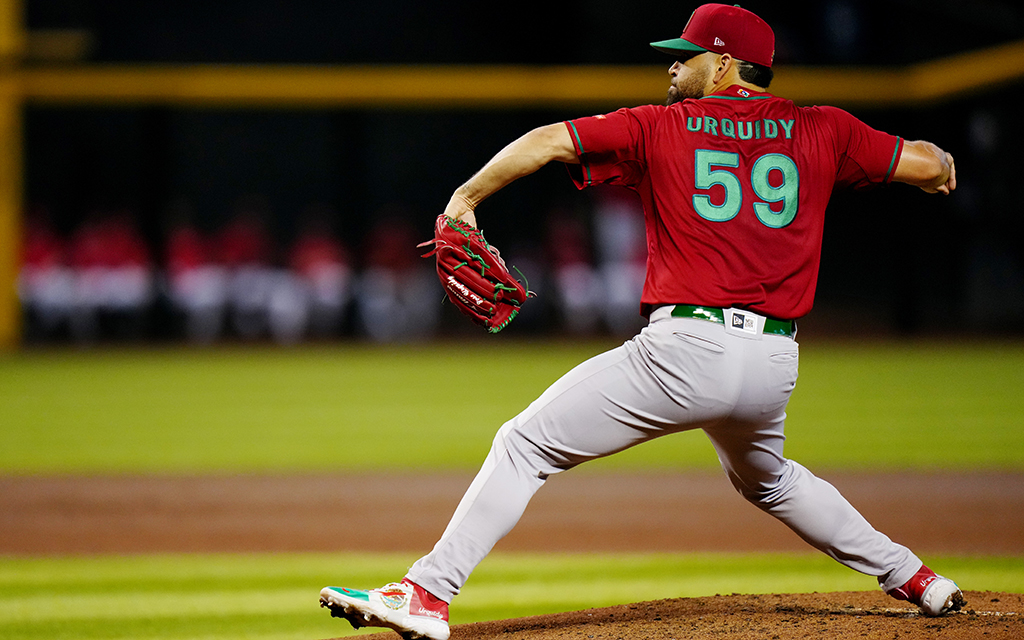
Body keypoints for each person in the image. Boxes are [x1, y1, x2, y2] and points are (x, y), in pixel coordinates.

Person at [319, 5, 962, 639]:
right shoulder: (826, 128)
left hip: (686, 350)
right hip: (773, 362)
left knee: (525, 444)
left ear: (724, 62)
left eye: (686, 55)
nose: (674, 65)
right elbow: (929, 165)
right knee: (769, 478)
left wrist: (464, 201)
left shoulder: (661, 127)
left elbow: (547, 143)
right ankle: (917, 579)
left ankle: (428, 594)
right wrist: (940, 165)